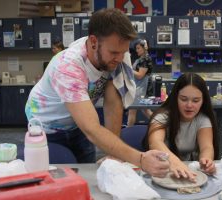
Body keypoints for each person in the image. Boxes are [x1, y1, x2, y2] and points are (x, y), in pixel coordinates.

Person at [25, 8, 169, 177]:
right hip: (48, 128)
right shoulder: (68, 66)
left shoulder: (113, 57)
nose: (120, 59)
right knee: (57, 181)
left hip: (77, 126)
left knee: (88, 175)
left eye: (123, 52)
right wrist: (141, 159)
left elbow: (113, 103)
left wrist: (114, 156)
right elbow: (91, 128)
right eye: (114, 52)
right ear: (93, 42)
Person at [143, 73, 218, 181]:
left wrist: (206, 161)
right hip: (159, 172)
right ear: (175, 97)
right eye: (183, 99)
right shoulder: (162, 117)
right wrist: (176, 162)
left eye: (196, 101)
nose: (189, 105)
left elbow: (207, 147)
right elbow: (155, 142)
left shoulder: (203, 120)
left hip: (186, 172)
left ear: (203, 101)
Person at [127, 39, 153, 126]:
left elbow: (140, 75)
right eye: (136, 48)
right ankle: (160, 125)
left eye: (138, 48)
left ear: (144, 48)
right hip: (139, 87)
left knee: (132, 111)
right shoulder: (141, 59)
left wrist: (129, 69)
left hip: (141, 88)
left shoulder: (145, 59)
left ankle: (128, 132)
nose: (137, 50)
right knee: (145, 110)